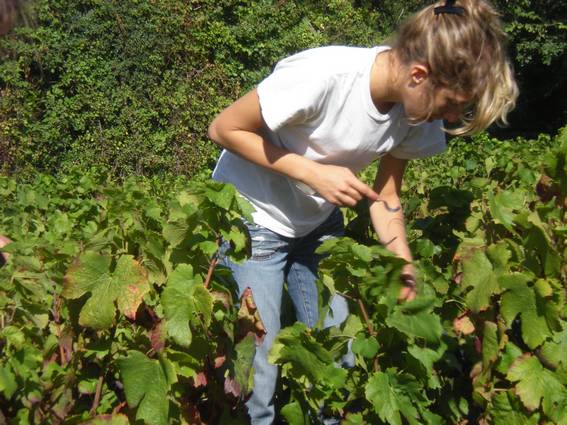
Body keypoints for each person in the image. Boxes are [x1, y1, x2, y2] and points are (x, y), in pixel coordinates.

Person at [208, 0, 518, 423]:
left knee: (341, 354)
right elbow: (223, 128)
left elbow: (386, 199)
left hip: (318, 223)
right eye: (451, 104)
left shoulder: (415, 112)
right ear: (418, 75)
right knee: (257, 375)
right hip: (255, 218)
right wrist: (313, 174)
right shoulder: (324, 76)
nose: (448, 117)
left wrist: (404, 266)